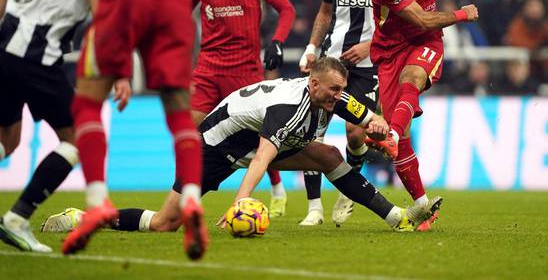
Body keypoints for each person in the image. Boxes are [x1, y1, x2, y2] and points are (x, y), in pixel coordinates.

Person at [63, 0, 245, 259]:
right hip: (171, 2)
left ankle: (96, 202)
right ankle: (193, 199)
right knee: (180, 111)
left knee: (87, 103)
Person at [44, 58, 439, 235]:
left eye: (342, 90)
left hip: (248, 140)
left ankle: (396, 217)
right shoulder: (288, 109)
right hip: (213, 147)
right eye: (333, 89)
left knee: (329, 155)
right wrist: (242, 200)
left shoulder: (334, 97)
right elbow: (263, 158)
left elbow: (368, 118)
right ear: (313, 84)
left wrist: (381, 131)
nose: (339, 96)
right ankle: (87, 218)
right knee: (168, 223)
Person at [0, 0, 130, 253]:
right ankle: (18, 218)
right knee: (76, 139)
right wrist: (119, 72)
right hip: (38, 56)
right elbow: (103, 20)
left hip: (6, 47)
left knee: (8, 138)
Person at [367, 0, 478, 230]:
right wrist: (463, 14)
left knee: (413, 77)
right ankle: (422, 207)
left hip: (426, 44)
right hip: (389, 54)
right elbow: (423, 18)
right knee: (403, 141)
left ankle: (388, 136)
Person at [190, 0, 296, 217]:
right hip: (208, 68)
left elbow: (286, 9)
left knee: (262, 135)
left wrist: (277, 41)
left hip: (245, 71)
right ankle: (190, 194)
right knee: (192, 134)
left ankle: (277, 188)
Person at [299, 0, 397, 226]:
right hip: (332, 62)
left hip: (369, 65)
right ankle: (314, 208)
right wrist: (312, 47)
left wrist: (372, 44)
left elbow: (402, 20)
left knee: (356, 133)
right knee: (312, 133)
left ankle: (348, 191)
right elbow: (325, 13)